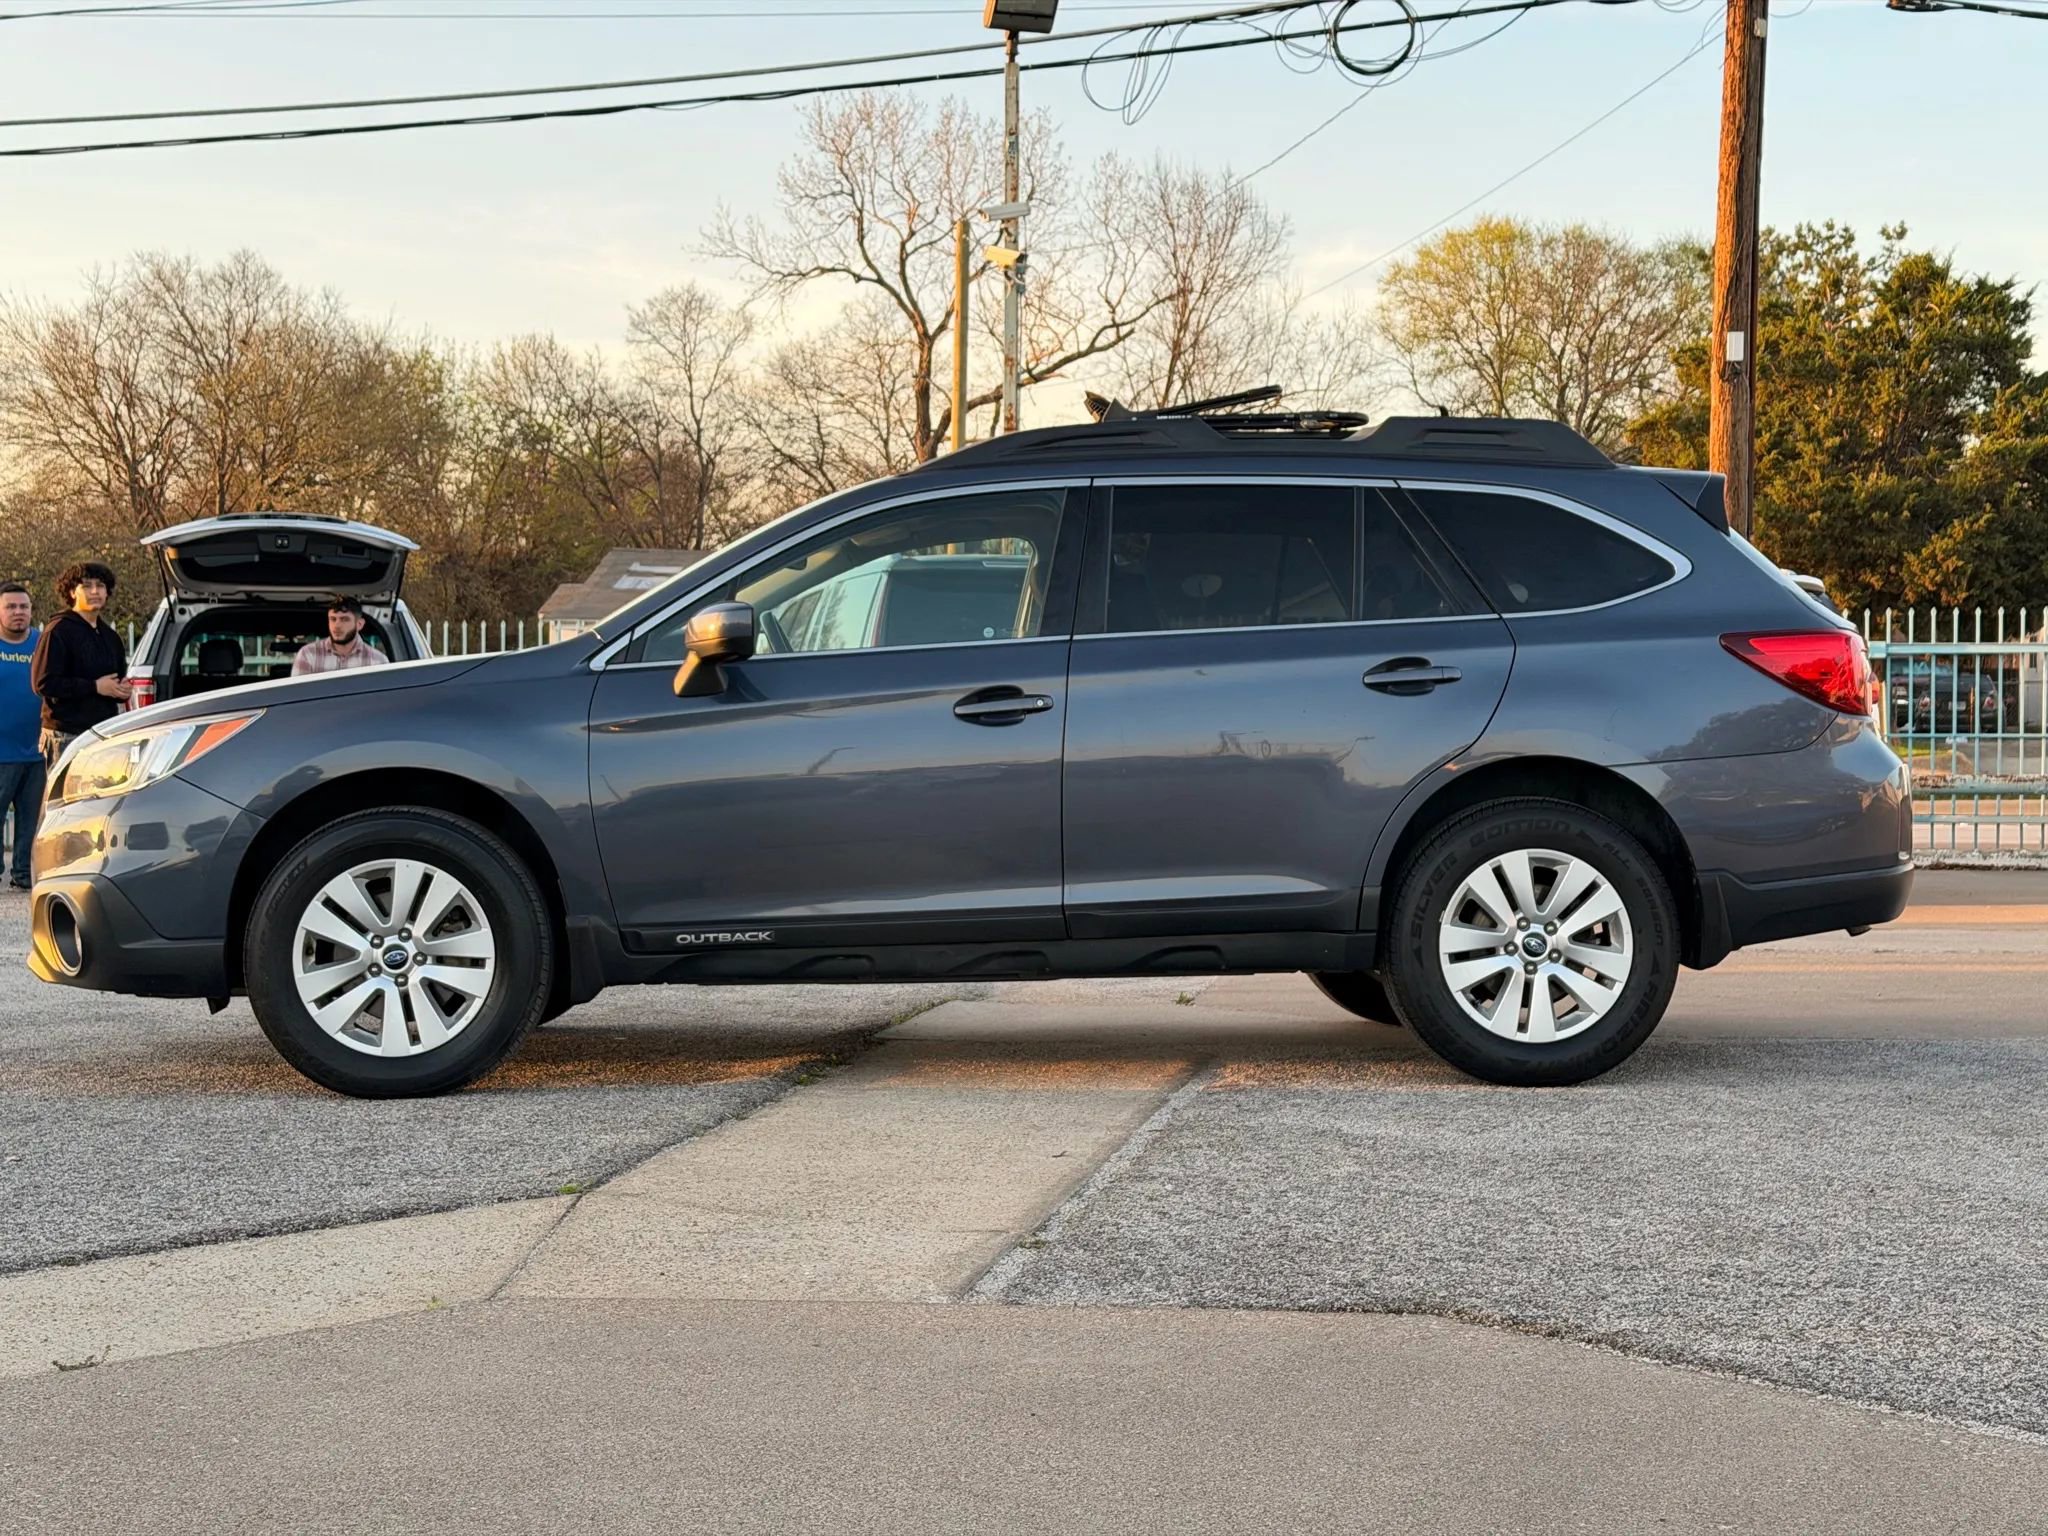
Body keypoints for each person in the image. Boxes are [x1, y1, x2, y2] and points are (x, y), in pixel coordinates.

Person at [30, 562, 129, 776]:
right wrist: (94, 687)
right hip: (66, 736)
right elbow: (42, 683)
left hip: (104, 733)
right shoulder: (58, 631)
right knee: (64, 805)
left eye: (100, 586)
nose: (95, 591)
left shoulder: (110, 637)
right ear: (72, 592)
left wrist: (121, 690)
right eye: (86, 586)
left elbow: (115, 682)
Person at [0, 582, 42, 890]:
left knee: (31, 821)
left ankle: (24, 875)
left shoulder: (43, 644)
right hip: (2, 752)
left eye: (23, 607)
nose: (18, 613)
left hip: (37, 751)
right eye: (11, 607)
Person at [293, 596, 391, 676]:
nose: (337, 625)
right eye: (333, 619)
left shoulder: (378, 661)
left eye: (344, 619)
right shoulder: (308, 654)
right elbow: (298, 696)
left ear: (359, 624)